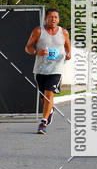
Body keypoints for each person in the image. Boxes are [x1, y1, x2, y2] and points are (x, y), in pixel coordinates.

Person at [25, 7, 71, 135]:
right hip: (40, 68)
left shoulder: (64, 33)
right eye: (51, 17)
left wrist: (68, 54)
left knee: (49, 93)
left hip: (56, 68)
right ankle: (50, 111)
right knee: (43, 97)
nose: (53, 19)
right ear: (46, 18)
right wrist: (36, 51)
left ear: (58, 19)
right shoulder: (38, 31)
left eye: (56, 17)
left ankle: (43, 122)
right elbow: (27, 47)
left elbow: (68, 47)